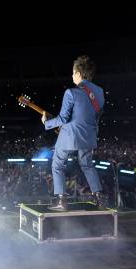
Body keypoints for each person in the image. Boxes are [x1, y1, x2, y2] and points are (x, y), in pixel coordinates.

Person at [41, 55, 105, 211]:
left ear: (78, 74)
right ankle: (100, 199)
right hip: (89, 136)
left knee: (57, 164)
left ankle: (62, 201)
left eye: (72, 73)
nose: (71, 76)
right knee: (87, 165)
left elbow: (63, 118)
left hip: (71, 136)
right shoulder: (100, 92)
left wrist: (46, 123)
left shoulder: (71, 92)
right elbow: (95, 115)